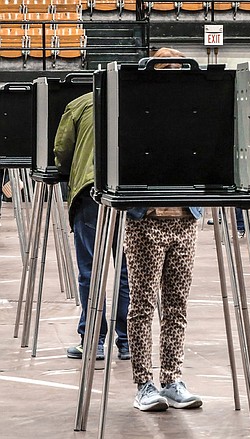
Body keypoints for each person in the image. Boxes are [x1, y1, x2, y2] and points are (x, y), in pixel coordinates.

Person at [123, 47, 203, 412]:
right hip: (145, 222)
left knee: (177, 305)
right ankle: (144, 383)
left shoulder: (193, 112)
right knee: (141, 305)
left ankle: (172, 378)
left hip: (184, 222)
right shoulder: (135, 112)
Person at [54, 92, 131, 362]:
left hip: (91, 192)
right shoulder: (140, 99)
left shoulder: (80, 103)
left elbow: (62, 149)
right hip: (131, 192)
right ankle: (128, 342)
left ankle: (94, 341)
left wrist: (66, 170)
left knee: (90, 270)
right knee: (128, 271)